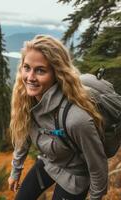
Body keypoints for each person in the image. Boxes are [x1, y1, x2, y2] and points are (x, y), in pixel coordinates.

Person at [8, 35, 108, 200]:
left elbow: (98, 167)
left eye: (40, 70)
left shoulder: (76, 119)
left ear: (57, 73)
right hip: (50, 162)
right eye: (27, 67)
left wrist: (95, 198)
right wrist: (15, 170)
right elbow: (23, 136)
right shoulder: (27, 101)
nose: (30, 77)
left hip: (75, 176)